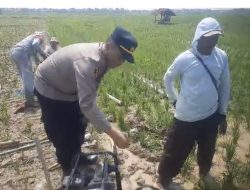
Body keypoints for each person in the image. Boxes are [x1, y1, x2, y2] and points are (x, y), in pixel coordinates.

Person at [34, 26, 137, 183]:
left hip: (70, 88)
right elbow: (87, 105)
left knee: (78, 124)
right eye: (120, 57)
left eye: (124, 59)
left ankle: (78, 157)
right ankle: (68, 169)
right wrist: (113, 133)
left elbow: (88, 96)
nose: (120, 62)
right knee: (61, 132)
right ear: (109, 45)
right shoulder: (90, 61)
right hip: (50, 87)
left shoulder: (105, 58)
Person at [158, 17, 231, 189]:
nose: (213, 41)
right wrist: (174, 99)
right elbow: (168, 78)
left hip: (211, 115)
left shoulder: (221, 56)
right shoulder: (185, 58)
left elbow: (225, 86)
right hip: (186, 117)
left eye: (216, 37)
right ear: (199, 36)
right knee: (175, 151)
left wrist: (222, 114)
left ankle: (204, 175)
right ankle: (164, 179)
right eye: (209, 37)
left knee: (207, 150)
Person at [10, 31, 48, 113]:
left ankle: (30, 97)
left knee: (25, 78)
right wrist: (43, 55)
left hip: (14, 53)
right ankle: (30, 102)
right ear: (40, 36)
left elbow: (34, 54)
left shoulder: (29, 40)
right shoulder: (37, 38)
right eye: (42, 39)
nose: (42, 41)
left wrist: (38, 61)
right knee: (29, 80)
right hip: (21, 53)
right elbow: (35, 45)